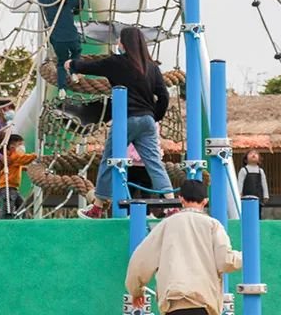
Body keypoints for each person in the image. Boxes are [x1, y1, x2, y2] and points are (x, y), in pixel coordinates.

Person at [72, 27, 173, 219]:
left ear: (124, 44)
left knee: (109, 160)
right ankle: (171, 202)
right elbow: (164, 95)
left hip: (126, 119)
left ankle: (98, 207)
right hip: (147, 121)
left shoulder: (116, 63)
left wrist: (72, 65)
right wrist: (154, 116)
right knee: (154, 163)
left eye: (119, 40)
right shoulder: (152, 67)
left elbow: (91, 67)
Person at [125, 179, 242, 315]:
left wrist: (136, 290)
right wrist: (245, 257)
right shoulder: (213, 225)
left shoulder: (166, 225)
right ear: (205, 201)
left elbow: (141, 260)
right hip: (203, 302)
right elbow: (225, 261)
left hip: (174, 302)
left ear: (181, 199)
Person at [37, 0, 85, 97]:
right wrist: (77, 11)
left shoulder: (47, 4)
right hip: (72, 37)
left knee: (61, 63)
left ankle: (61, 89)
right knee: (76, 53)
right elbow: (81, 1)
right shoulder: (66, 2)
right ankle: (74, 73)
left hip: (58, 40)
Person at [0, 134, 38, 219]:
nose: (22, 147)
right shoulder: (15, 156)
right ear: (12, 147)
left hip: (12, 187)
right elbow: (24, 159)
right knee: (7, 208)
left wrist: (24, 168)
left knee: (21, 205)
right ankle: (0, 224)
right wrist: (35, 155)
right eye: (20, 145)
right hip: (8, 187)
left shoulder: (11, 157)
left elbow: (14, 166)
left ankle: (22, 221)